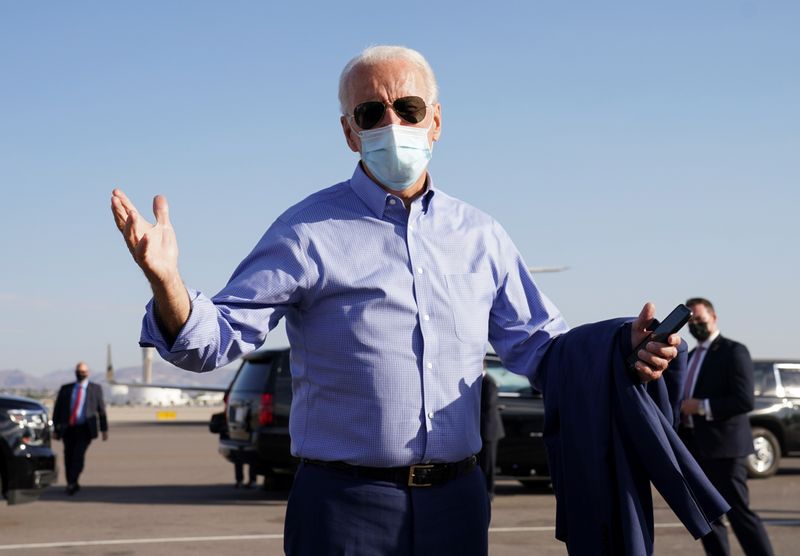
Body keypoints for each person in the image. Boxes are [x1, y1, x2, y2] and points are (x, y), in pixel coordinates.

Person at [111, 45, 682, 555]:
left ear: (435, 122)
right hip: (343, 508)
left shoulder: (480, 235)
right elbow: (212, 342)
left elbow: (543, 349)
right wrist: (167, 281)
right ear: (348, 132)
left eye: (408, 109)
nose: (392, 123)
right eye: (370, 113)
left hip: (458, 505)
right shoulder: (306, 231)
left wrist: (620, 349)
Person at [679, 298, 774, 556]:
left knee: (739, 513)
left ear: (714, 317)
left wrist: (700, 407)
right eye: (691, 322)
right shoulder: (688, 356)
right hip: (694, 447)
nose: (696, 325)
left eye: (700, 320)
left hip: (725, 448)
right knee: (708, 517)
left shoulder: (733, 351)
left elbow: (744, 400)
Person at [52, 362, 109, 495]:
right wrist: (55, 429)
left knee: (78, 456)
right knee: (68, 457)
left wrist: (104, 429)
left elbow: (101, 411)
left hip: (85, 429)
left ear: (87, 373)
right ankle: (72, 482)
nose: (81, 373)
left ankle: (72, 482)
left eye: (83, 371)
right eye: (79, 371)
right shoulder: (66, 389)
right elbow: (57, 410)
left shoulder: (95, 389)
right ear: (75, 372)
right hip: (68, 428)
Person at [478, 367, 504, 501]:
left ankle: (489, 492)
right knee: (482, 464)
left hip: (489, 431)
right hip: (483, 430)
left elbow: (488, 406)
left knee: (488, 465)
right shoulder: (481, 381)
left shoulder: (489, 382)